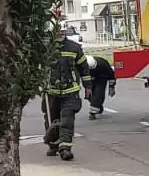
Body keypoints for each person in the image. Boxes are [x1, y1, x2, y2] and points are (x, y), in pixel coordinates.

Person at [42, 23, 90, 161]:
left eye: (62, 32)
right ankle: (53, 145)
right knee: (51, 120)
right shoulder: (45, 48)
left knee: (67, 119)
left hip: (71, 92)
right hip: (51, 92)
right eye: (57, 32)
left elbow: (84, 68)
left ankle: (65, 149)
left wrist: (88, 86)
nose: (60, 34)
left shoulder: (74, 48)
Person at [83, 54, 116, 119]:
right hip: (89, 79)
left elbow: (111, 75)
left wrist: (111, 87)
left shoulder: (103, 65)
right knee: (90, 95)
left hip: (101, 78)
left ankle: (92, 113)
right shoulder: (82, 66)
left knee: (98, 93)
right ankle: (98, 107)